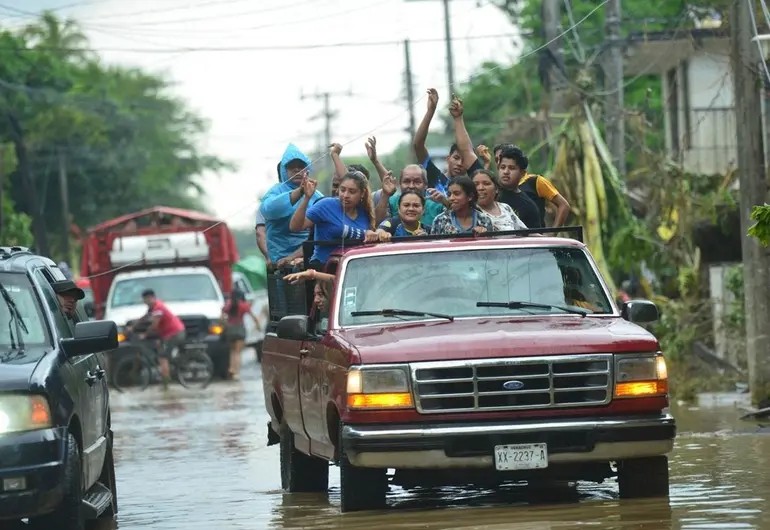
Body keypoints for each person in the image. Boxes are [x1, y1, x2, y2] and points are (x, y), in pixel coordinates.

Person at [289, 170, 379, 268]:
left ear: (362, 193)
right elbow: (295, 227)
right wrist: (307, 198)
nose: (345, 195)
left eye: (352, 192)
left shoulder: (365, 212)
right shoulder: (325, 205)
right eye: (342, 190)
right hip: (323, 267)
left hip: (354, 268)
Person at [259, 144, 324, 268]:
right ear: (284, 170)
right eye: (291, 167)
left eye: (301, 166)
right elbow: (268, 210)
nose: (297, 170)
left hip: (310, 258)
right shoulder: (276, 191)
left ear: (307, 170)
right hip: (281, 261)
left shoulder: (317, 195)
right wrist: (300, 192)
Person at [413, 88, 481, 193]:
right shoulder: (436, 178)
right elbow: (418, 145)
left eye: (464, 160)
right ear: (448, 158)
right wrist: (431, 111)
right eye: (456, 158)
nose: (459, 163)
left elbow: (467, 150)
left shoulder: (474, 187)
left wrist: (458, 118)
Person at [134, 289, 186, 388]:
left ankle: (166, 383)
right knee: (160, 348)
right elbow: (145, 317)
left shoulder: (158, 307)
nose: (145, 302)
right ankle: (167, 373)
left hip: (175, 333)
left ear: (151, 298)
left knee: (163, 356)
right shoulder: (153, 307)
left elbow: (154, 325)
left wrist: (145, 335)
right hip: (168, 334)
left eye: (146, 299)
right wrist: (133, 326)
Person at [373, 164, 446, 226]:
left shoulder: (437, 205)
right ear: (400, 184)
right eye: (406, 181)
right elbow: (377, 224)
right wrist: (385, 195)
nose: (411, 186)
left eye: (417, 182)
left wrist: (446, 203)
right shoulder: (391, 201)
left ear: (426, 185)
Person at [496, 146, 542, 228]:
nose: (506, 172)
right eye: (502, 167)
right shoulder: (488, 193)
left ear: (522, 173)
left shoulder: (529, 206)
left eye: (512, 168)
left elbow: (534, 235)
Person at [221, 288, 260, 381]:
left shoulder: (228, 305)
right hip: (240, 329)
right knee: (238, 352)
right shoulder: (243, 305)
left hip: (230, 329)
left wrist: (225, 325)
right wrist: (258, 326)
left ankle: (231, 368)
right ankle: (236, 372)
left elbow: (221, 317)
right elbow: (253, 317)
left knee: (232, 351)